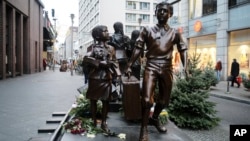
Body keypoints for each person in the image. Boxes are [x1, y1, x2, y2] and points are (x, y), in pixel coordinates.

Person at [125, 2, 188, 141]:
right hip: (151, 66)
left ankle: (154, 118)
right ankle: (144, 128)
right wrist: (129, 64)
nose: (161, 13)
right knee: (147, 99)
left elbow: (183, 49)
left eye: (165, 11)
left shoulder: (175, 33)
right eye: (159, 11)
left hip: (167, 68)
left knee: (164, 101)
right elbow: (138, 47)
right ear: (155, 13)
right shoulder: (147, 30)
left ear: (170, 14)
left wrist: (186, 68)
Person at [83, 25, 120, 133]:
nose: (108, 33)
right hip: (95, 78)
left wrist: (118, 74)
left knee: (106, 101)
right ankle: (93, 120)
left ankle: (104, 122)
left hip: (106, 78)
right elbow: (86, 59)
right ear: (98, 36)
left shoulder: (111, 48)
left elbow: (115, 62)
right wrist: (100, 63)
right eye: (105, 31)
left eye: (107, 31)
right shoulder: (92, 47)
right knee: (93, 100)